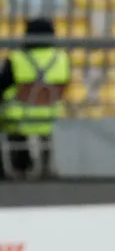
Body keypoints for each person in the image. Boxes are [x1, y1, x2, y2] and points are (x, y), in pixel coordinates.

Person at [0, 17, 70, 180]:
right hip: (49, 114)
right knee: (39, 128)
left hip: (18, 115)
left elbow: (2, 85)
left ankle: (15, 168)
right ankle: (45, 167)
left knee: (10, 123)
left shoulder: (17, 58)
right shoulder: (62, 58)